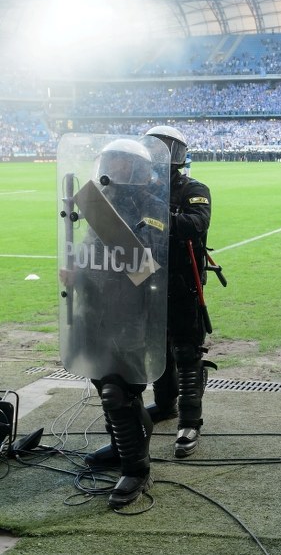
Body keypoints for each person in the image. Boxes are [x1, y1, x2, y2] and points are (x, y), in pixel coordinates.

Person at [65, 138, 170, 507]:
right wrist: (75, 272)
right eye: (108, 161)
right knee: (102, 379)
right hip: (95, 310)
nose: (111, 170)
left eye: (120, 163)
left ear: (138, 171)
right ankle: (122, 446)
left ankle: (136, 467)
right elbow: (89, 249)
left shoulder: (151, 207)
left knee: (119, 390)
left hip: (129, 313)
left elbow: (148, 264)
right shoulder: (100, 205)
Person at [144, 125, 214, 458]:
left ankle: (189, 421)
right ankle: (164, 405)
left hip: (184, 283)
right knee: (156, 348)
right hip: (145, 278)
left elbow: (194, 224)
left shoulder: (193, 188)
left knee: (186, 352)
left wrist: (154, 217)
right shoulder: (141, 188)